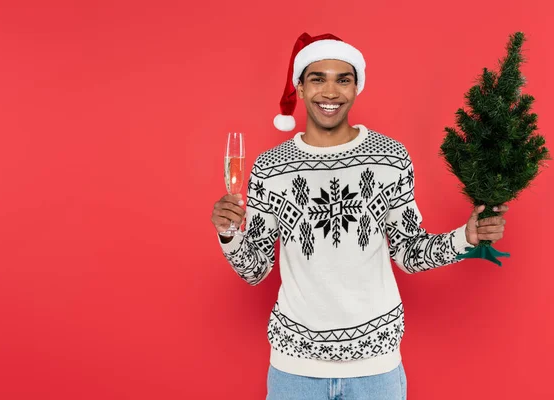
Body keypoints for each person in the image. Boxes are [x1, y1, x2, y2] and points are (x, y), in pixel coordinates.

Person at [210, 32, 507, 400]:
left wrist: (466, 236)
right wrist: (229, 234)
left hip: (376, 370)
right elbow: (254, 269)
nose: (330, 92)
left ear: (356, 87)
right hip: (294, 370)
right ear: (300, 88)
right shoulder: (271, 168)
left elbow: (410, 253)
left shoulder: (391, 158)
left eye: (343, 80)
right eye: (317, 78)